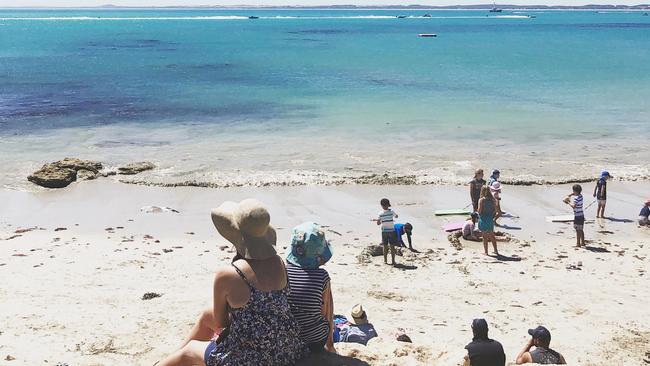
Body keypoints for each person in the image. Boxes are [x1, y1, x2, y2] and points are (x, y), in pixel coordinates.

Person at [157, 199, 306, 366]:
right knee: (207, 315)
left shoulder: (229, 274)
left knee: (190, 351)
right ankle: (168, 361)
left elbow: (221, 323)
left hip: (253, 358)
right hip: (285, 349)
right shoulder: (279, 263)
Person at [285, 222, 336, 354]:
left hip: (285, 337)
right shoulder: (322, 276)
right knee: (325, 309)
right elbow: (327, 312)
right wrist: (330, 345)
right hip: (313, 339)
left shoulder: (281, 272)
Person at [376, 198, 399, 265]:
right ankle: (393, 261)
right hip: (391, 231)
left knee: (385, 246)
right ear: (388, 205)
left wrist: (381, 220)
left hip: (384, 231)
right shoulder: (392, 211)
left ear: (381, 205)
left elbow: (378, 223)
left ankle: (385, 260)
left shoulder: (380, 213)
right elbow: (396, 216)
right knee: (392, 246)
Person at [478, 186, 499, 256]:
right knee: (492, 236)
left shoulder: (481, 200)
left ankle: (486, 252)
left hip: (483, 219)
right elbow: (495, 211)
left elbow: (479, 211)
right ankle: (495, 250)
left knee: (484, 237)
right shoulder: (493, 200)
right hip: (490, 219)